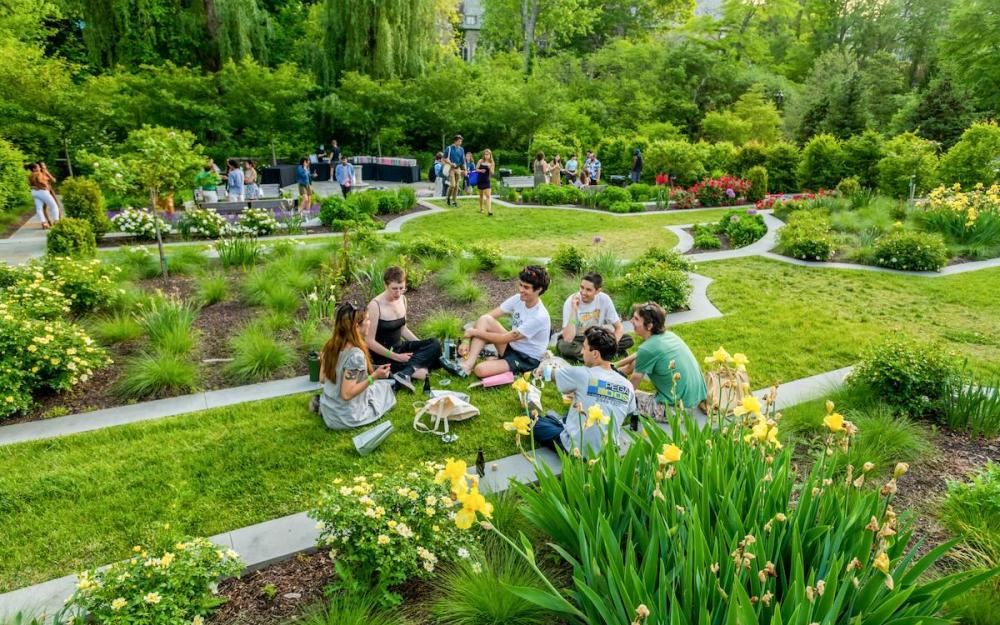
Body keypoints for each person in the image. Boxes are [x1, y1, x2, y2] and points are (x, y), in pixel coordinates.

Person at [533, 327, 637, 458]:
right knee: (577, 409)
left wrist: (543, 366)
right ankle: (560, 421)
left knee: (536, 423)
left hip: (577, 450)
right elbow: (628, 411)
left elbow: (548, 373)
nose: (582, 351)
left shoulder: (582, 374)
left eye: (584, 347)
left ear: (595, 354)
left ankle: (556, 422)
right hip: (608, 451)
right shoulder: (627, 385)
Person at [310, 302, 396, 430]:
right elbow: (347, 394)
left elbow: (322, 379)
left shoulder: (330, 345)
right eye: (367, 319)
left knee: (380, 387)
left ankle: (320, 405)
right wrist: (374, 376)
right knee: (387, 392)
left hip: (330, 411)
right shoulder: (355, 356)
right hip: (346, 418)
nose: (370, 322)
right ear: (356, 326)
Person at [615, 302, 707, 421]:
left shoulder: (647, 349)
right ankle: (617, 372)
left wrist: (616, 394)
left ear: (649, 326)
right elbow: (639, 354)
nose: (631, 321)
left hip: (676, 411)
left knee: (618, 394)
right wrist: (616, 365)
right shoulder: (669, 336)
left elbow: (631, 388)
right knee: (641, 363)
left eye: (636, 319)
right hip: (695, 401)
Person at [458, 265, 551, 379]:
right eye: (520, 284)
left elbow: (503, 339)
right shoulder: (518, 298)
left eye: (526, 287)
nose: (521, 290)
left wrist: (473, 332)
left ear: (539, 289)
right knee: (485, 319)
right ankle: (467, 366)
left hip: (526, 358)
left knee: (480, 370)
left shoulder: (539, 316)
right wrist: (466, 340)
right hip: (511, 346)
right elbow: (488, 316)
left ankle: (511, 370)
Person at [366, 266, 443, 391]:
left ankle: (405, 373)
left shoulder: (403, 299)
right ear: (385, 285)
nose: (398, 292)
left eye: (402, 288)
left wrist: (422, 346)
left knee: (435, 344)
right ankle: (410, 369)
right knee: (423, 373)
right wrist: (396, 356)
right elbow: (369, 341)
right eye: (394, 289)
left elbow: (403, 329)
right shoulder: (375, 306)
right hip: (383, 355)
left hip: (400, 347)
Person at [557, 272, 633, 361]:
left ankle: (593, 355)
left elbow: (619, 327)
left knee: (627, 339)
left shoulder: (604, 299)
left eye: (588, 290)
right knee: (563, 346)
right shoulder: (571, 301)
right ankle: (604, 355)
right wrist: (574, 310)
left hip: (596, 337)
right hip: (577, 339)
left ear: (597, 291)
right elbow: (568, 338)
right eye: (581, 287)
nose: (583, 292)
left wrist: (612, 344)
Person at [26, 163, 59, 228]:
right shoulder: (39, 174)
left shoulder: (29, 175)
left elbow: (29, 184)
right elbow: (40, 181)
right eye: (38, 167)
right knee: (54, 206)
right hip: (43, 192)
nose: (40, 168)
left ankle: (44, 223)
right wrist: (45, 185)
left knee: (39, 208)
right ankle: (56, 221)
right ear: (34, 169)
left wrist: (34, 186)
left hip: (34, 192)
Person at [443, 134, 465, 207]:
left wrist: (464, 169)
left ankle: (454, 201)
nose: (460, 142)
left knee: (456, 186)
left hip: (458, 169)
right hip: (451, 168)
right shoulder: (449, 148)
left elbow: (462, 161)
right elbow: (444, 158)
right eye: (459, 141)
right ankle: (448, 198)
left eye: (461, 141)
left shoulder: (461, 149)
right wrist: (451, 163)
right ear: (455, 141)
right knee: (453, 185)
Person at [476, 149, 495, 216]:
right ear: (484, 155)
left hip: (487, 181)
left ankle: (489, 211)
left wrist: (490, 168)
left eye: (488, 154)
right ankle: (481, 208)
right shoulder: (480, 161)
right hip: (480, 180)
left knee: (488, 196)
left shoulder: (492, 162)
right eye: (485, 154)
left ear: (490, 155)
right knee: (481, 196)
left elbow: (492, 173)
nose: (486, 156)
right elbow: (476, 169)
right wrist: (481, 170)